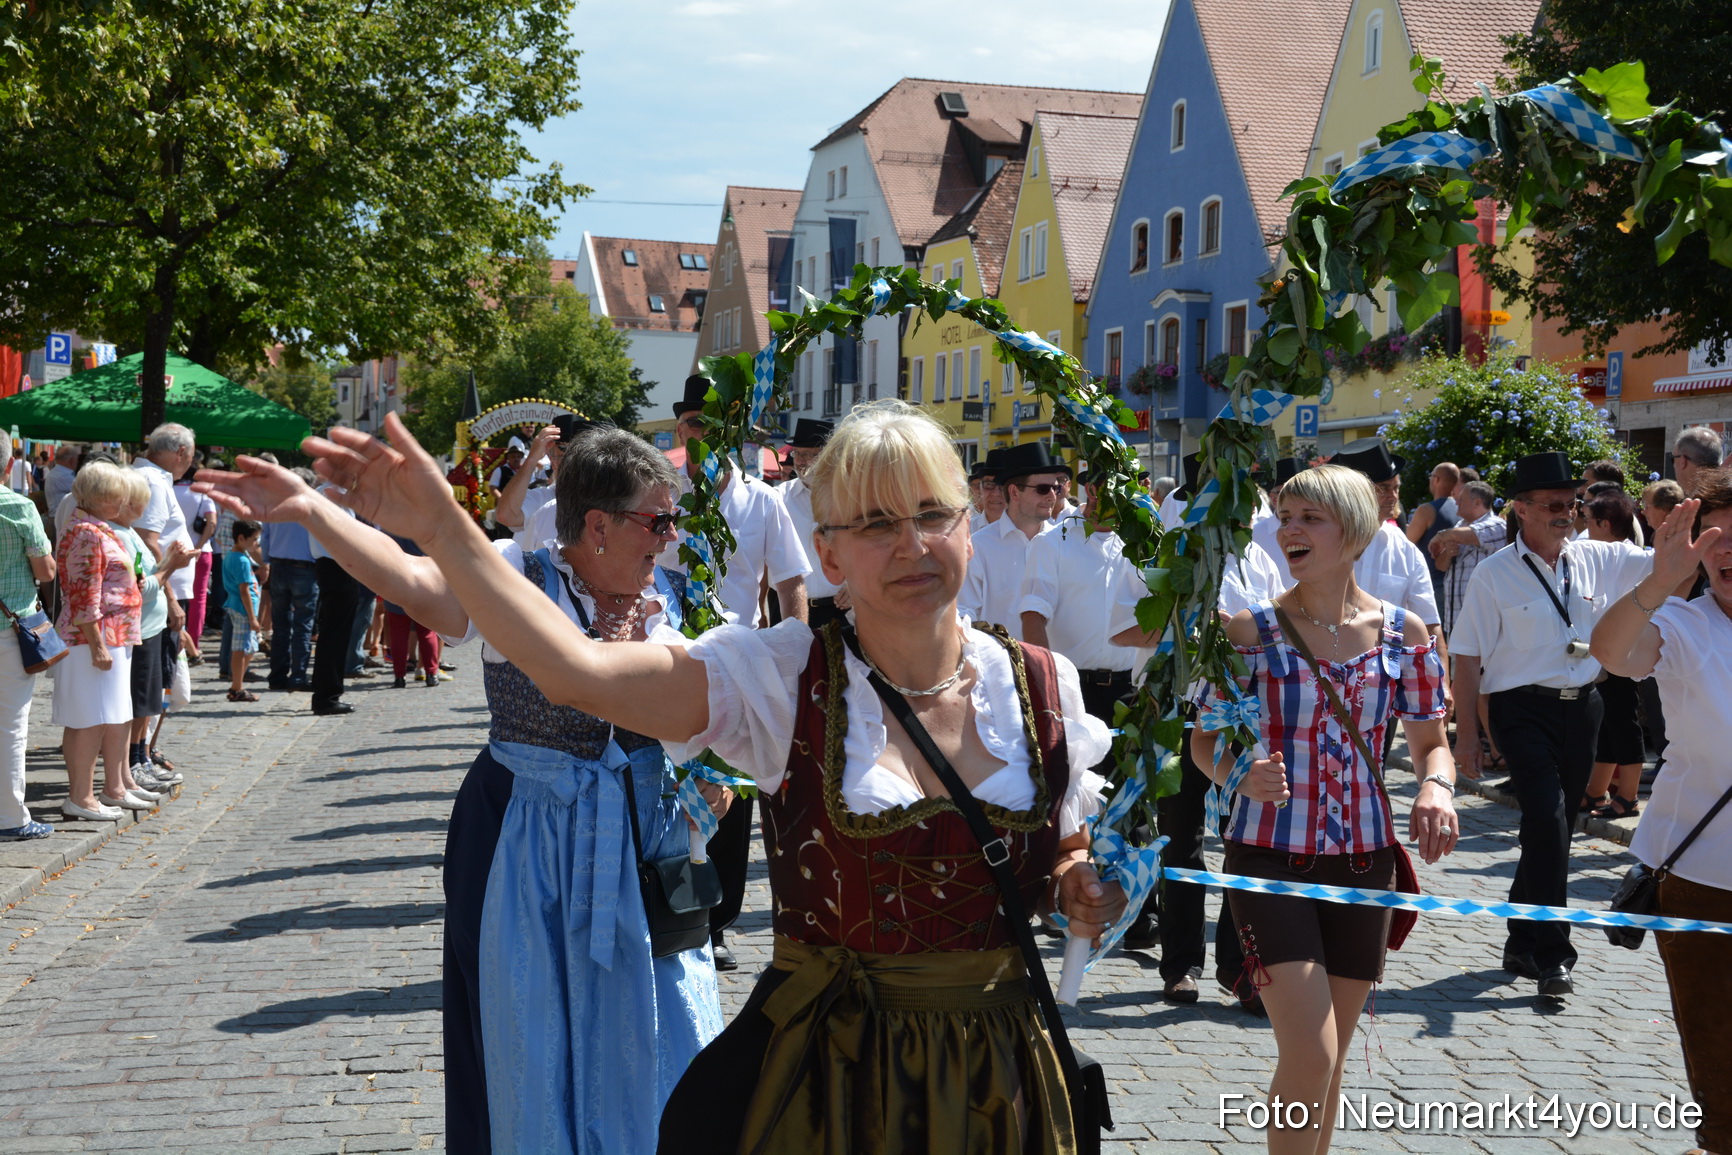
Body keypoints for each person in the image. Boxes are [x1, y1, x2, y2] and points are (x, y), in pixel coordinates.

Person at [240, 401, 1125, 1154]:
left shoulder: (1041, 682)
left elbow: (1061, 844)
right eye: (876, 524)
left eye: (933, 514)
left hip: (1001, 1073)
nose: (913, 545)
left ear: (969, 522)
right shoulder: (783, 676)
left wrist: (1076, 880)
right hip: (836, 1069)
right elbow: (573, 671)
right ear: (829, 553)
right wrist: (440, 530)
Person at [197, 425, 727, 1155]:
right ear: (598, 525)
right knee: (530, 1029)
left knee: (658, 1023)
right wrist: (317, 513)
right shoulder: (517, 574)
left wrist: (711, 777)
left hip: (641, 840)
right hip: (526, 832)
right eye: (656, 521)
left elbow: (718, 707)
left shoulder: (674, 592)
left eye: (672, 520)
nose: (669, 537)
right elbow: (414, 582)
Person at [1192, 464, 1456, 1155]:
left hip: (1366, 863)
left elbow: (1432, 744)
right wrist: (1238, 773)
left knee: (1332, 1059)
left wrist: (1436, 787)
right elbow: (1203, 742)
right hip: (1269, 857)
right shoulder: (1250, 632)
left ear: (1355, 531)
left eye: (1310, 517)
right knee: (1310, 1051)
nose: (1290, 530)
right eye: (1286, 517)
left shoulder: (1404, 635)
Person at [1448, 451, 1651, 999]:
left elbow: (1660, 563)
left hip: (1583, 707)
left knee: (1548, 829)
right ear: (1522, 509)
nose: (1567, 512)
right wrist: (1467, 737)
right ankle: (1553, 954)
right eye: (1554, 504)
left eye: (1572, 503)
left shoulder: (1594, 557)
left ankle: (1520, 938)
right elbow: (1466, 656)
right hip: (1520, 710)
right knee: (1550, 819)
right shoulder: (1494, 574)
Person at [1591, 473, 1732, 1155]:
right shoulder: (1683, 622)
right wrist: (1659, 582)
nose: (1726, 550)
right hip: (1704, 875)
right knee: (1720, 1052)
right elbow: (1612, 652)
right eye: (1715, 537)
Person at [665, 376, 810, 969]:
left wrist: (792, 656)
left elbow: (791, 584)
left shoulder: (763, 502)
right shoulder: (662, 493)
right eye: (690, 425)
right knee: (671, 780)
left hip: (740, 662)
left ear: (733, 433)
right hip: (672, 658)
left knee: (730, 788)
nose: (698, 435)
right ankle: (670, 907)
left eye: (709, 425)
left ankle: (715, 921)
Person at [52, 463, 146, 821]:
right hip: (91, 639)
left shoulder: (94, 527)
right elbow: (83, 595)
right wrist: (97, 644)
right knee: (88, 718)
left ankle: (98, 792)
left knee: (103, 715)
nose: (123, 502)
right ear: (100, 497)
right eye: (116, 496)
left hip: (109, 635)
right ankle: (81, 797)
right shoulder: (86, 533)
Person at [109, 470, 194, 791]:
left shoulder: (129, 532)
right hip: (140, 628)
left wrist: (170, 559)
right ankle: (134, 763)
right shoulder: (120, 535)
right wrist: (172, 566)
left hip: (149, 626)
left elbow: (148, 575)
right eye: (141, 502)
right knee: (140, 701)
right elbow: (141, 589)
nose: (145, 508)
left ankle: (141, 758)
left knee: (148, 701)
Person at [0, 438, 56, 841]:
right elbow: (46, 571)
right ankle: (10, 817)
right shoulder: (19, 507)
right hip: (10, 631)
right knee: (10, 726)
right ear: (9, 466)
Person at [1580, 489, 1646, 818]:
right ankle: (1596, 792)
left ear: (1605, 524)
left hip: (1625, 651)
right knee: (1606, 722)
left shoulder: (1631, 555)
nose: (1585, 527)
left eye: (1589, 521)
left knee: (1622, 722)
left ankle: (1629, 796)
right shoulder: (1602, 552)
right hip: (1603, 651)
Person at [959, 441, 1066, 639]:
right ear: (1015, 492)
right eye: (1043, 489)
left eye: (1056, 488)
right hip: (1000, 657)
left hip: (1055, 658)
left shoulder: (1065, 543)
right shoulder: (979, 546)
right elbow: (965, 613)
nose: (1052, 496)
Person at [777, 419, 842, 628]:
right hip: (789, 610)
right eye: (799, 454)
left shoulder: (850, 496)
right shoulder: (778, 498)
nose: (804, 461)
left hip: (840, 609)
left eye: (813, 454)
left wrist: (855, 587)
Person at [261, 470, 322, 689]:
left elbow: (265, 537)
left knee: (280, 625)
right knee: (303, 626)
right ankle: (298, 676)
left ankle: (277, 676)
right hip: (304, 569)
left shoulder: (274, 503)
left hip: (279, 566)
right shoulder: (312, 506)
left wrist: (267, 560)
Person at [174, 463, 218, 663]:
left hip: (175, 551)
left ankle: (177, 639)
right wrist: (198, 546)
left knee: (174, 595)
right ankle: (194, 644)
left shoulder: (169, 489)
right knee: (198, 599)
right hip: (201, 552)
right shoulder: (202, 495)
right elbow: (212, 523)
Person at [1404, 461, 1460, 602]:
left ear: (1436, 480)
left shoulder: (1426, 510)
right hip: (1458, 583)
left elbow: (1406, 543)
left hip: (1432, 584)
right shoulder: (1462, 509)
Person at [222, 520, 264, 703]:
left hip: (241, 608)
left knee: (250, 647)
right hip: (243, 610)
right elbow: (244, 590)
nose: (256, 543)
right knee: (241, 648)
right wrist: (253, 617)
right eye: (254, 539)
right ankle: (236, 687)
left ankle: (237, 684)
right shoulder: (240, 559)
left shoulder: (238, 555)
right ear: (241, 538)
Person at [1671, 426, 1725, 495]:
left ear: (1683, 461)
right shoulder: (1725, 494)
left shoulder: (1701, 500)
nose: (1673, 466)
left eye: (1673, 459)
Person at [45, 443, 79, 517]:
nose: (77, 462)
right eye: (77, 459)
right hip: (62, 519)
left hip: (60, 517)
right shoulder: (63, 475)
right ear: (72, 460)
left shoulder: (57, 472)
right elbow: (85, 494)